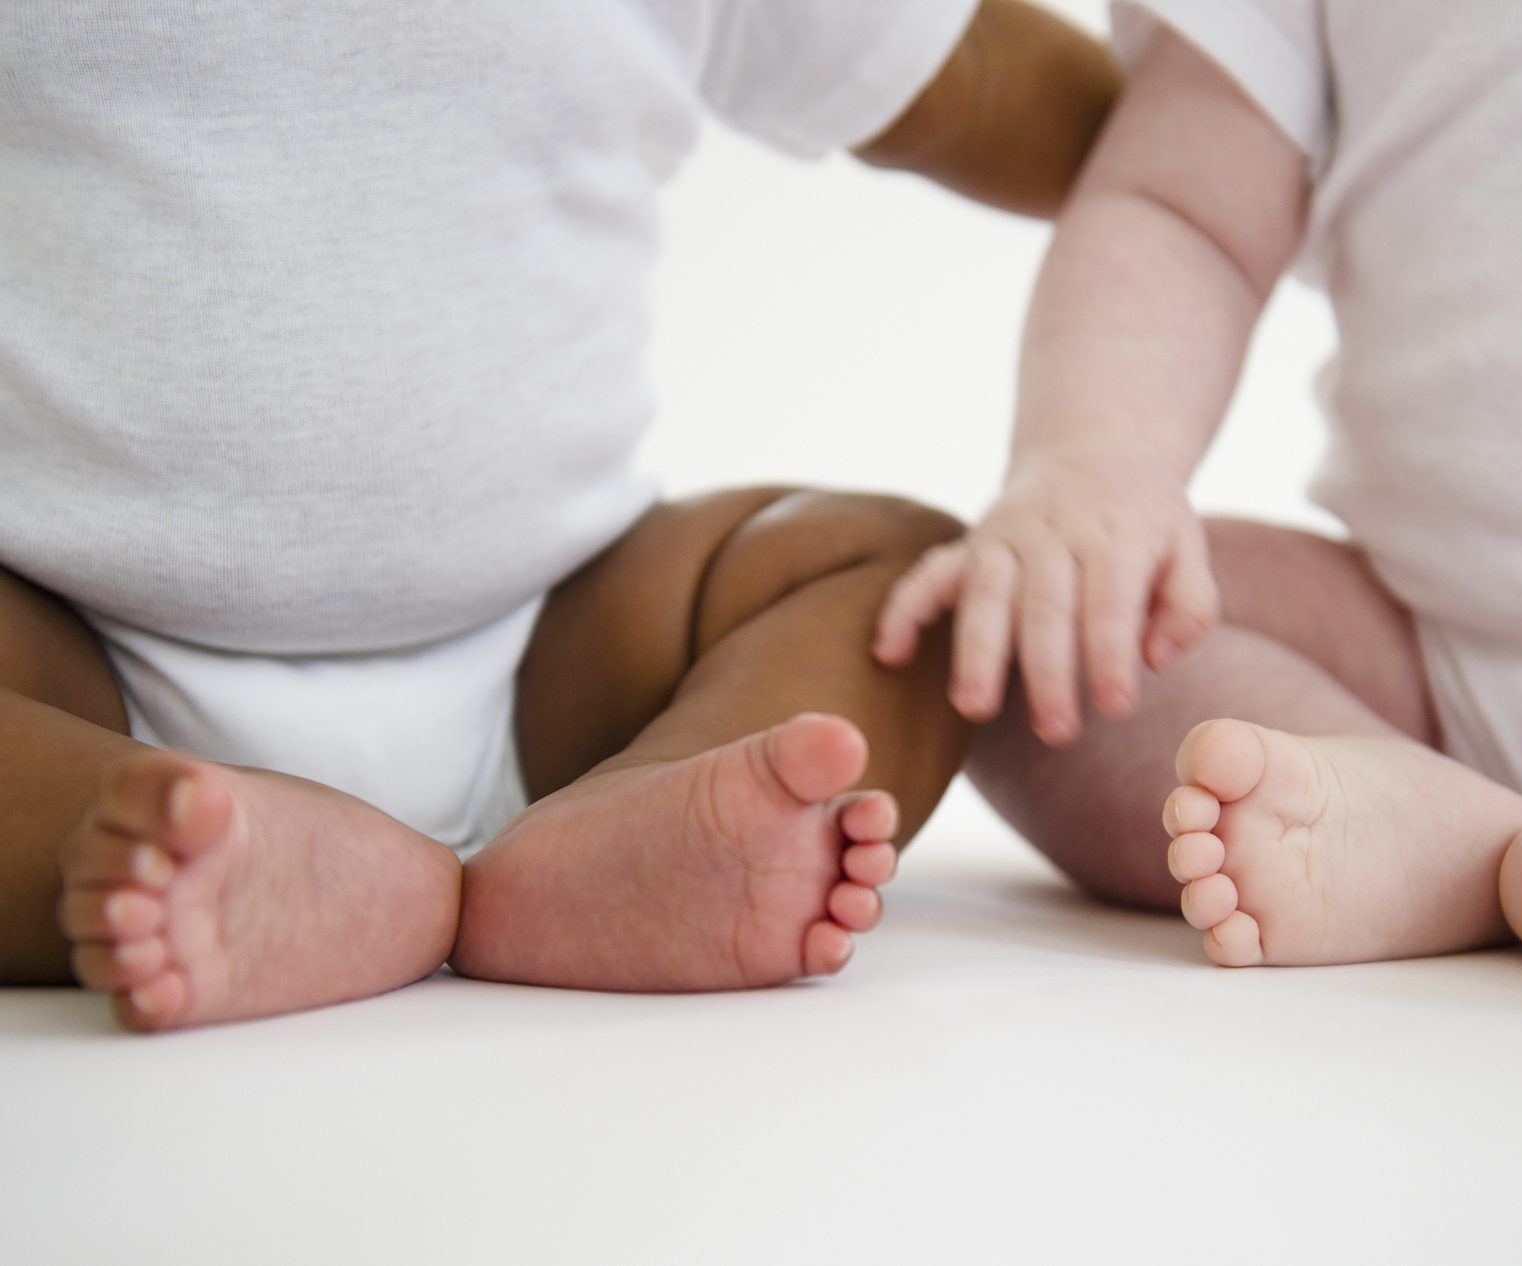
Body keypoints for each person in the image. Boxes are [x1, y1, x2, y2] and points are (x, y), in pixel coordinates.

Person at [0, 0, 1120, 1031]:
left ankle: (643, 820)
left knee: (893, 571)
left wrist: (1207, 151)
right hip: (63, 645)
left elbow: (979, 80)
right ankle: (159, 837)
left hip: (561, 647)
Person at [876, 0, 1522, 1008]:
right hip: (1412, 657)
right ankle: (1445, 836)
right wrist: (1093, 456)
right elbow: (1177, 207)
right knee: (1036, 632)